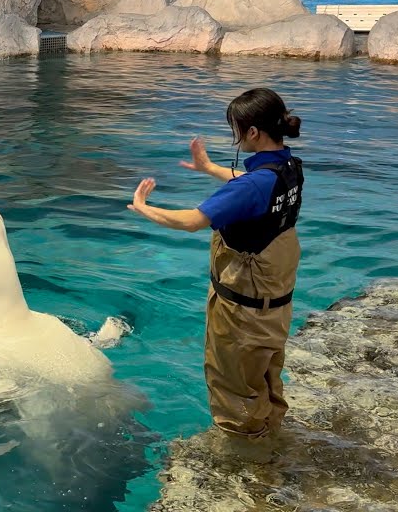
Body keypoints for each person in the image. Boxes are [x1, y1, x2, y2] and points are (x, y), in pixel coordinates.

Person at [127, 88, 304, 439]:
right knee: (266, 381)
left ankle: (246, 464)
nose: (236, 137)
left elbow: (192, 221)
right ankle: (272, 440)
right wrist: (209, 168)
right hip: (274, 309)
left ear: (253, 132)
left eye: (237, 129)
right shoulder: (289, 167)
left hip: (242, 316)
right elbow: (254, 186)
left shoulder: (254, 185)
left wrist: (145, 208)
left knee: (234, 392)